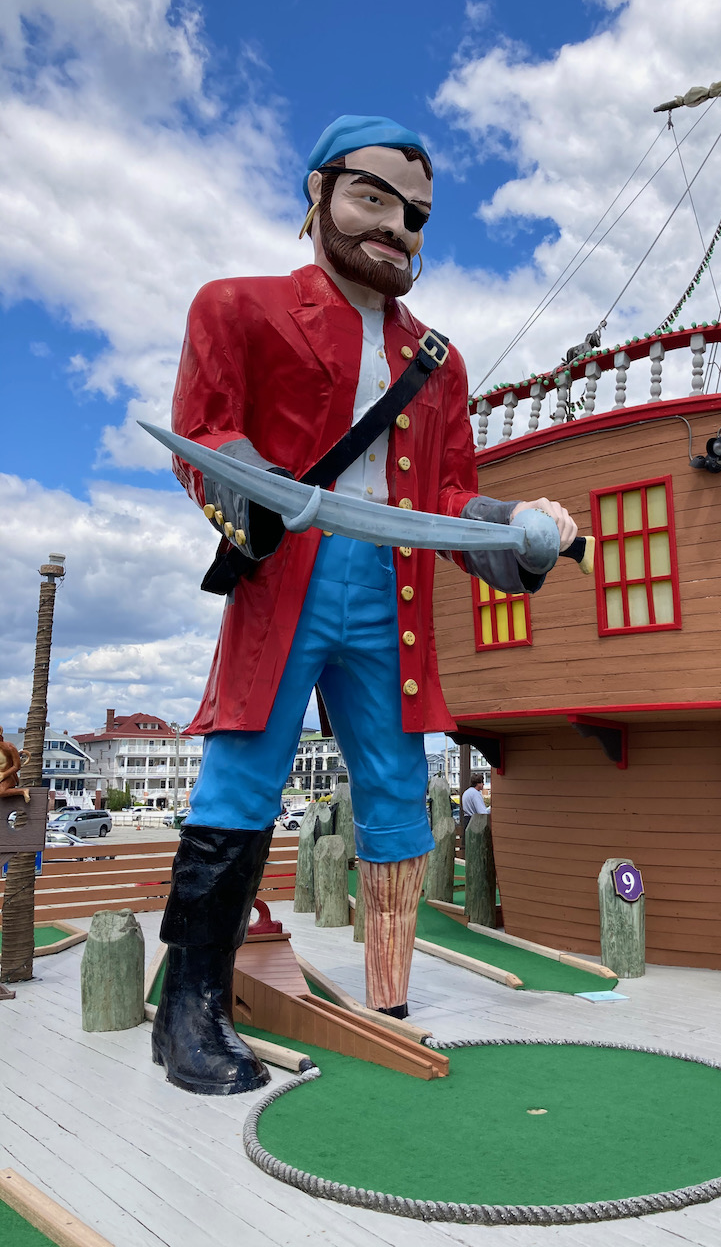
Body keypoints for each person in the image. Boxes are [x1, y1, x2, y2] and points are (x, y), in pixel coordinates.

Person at [151, 114, 578, 1095]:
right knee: (245, 771)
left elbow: (448, 494)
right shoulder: (237, 307)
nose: (399, 229)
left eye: (417, 215)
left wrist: (516, 524)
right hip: (287, 577)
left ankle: (391, 1003)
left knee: (397, 782)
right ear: (318, 193)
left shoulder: (440, 358)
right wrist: (251, 497)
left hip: (395, 593)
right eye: (375, 199)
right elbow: (202, 434)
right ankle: (190, 1008)